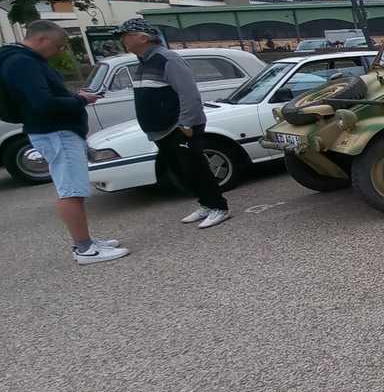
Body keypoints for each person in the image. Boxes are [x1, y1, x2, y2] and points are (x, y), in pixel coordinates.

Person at [0, 21, 129, 265]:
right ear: (42, 39)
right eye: (58, 45)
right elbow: (43, 103)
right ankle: (85, 249)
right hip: (56, 132)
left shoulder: (20, 60)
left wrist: (74, 97)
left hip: (53, 131)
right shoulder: (23, 63)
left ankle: (86, 241)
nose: (59, 51)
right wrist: (80, 100)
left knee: (72, 188)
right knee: (71, 191)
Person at [113, 18, 231, 228]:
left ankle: (218, 207)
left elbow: (188, 93)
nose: (123, 40)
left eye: (126, 36)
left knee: (195, 168)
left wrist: (186, 124)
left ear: (143, 38)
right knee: (180, 171)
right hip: (161, 130)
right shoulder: (144, 62)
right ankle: (205, 203)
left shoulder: (167, 59)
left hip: (178, 126)